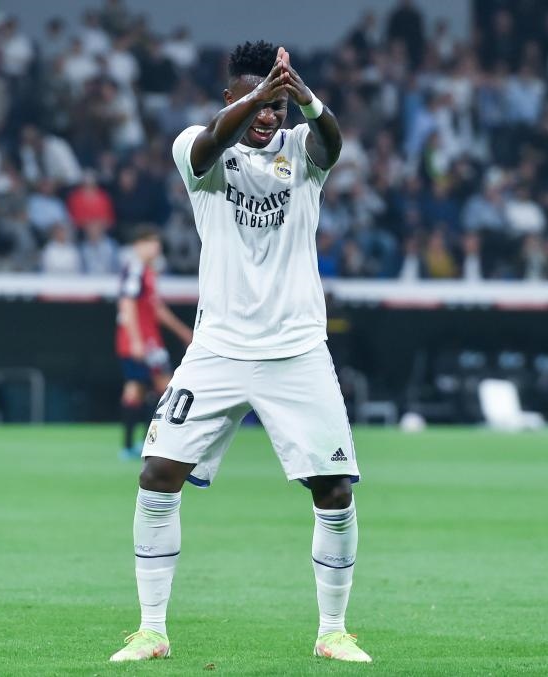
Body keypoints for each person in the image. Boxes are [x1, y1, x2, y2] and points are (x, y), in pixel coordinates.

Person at [110, 42, 370, 664]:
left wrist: (305, 98)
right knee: (157, 474)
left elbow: (332, 144)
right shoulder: (197, 148)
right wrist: (259, 95)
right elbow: (208, 146)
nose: (268, 115)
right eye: (256, 103)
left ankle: (333, 632)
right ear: (231, 98)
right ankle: (151, 631)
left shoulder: (301, 150)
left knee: (334, 489)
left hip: (296, 348)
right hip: (219, 349)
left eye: (277, 105)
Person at [115, 226, 192, 459]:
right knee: (156, 387)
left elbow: (156, 308)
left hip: (148, 340)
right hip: (141, 341)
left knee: (144, 388)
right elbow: (127, 304)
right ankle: (146, 443)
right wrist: (136, 340)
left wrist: (183, 332)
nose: (156, 247)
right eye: (150, 242)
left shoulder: (148, 271)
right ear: (138, 245)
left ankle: (138, 443)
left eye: (157, 242)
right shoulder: (135, 269)